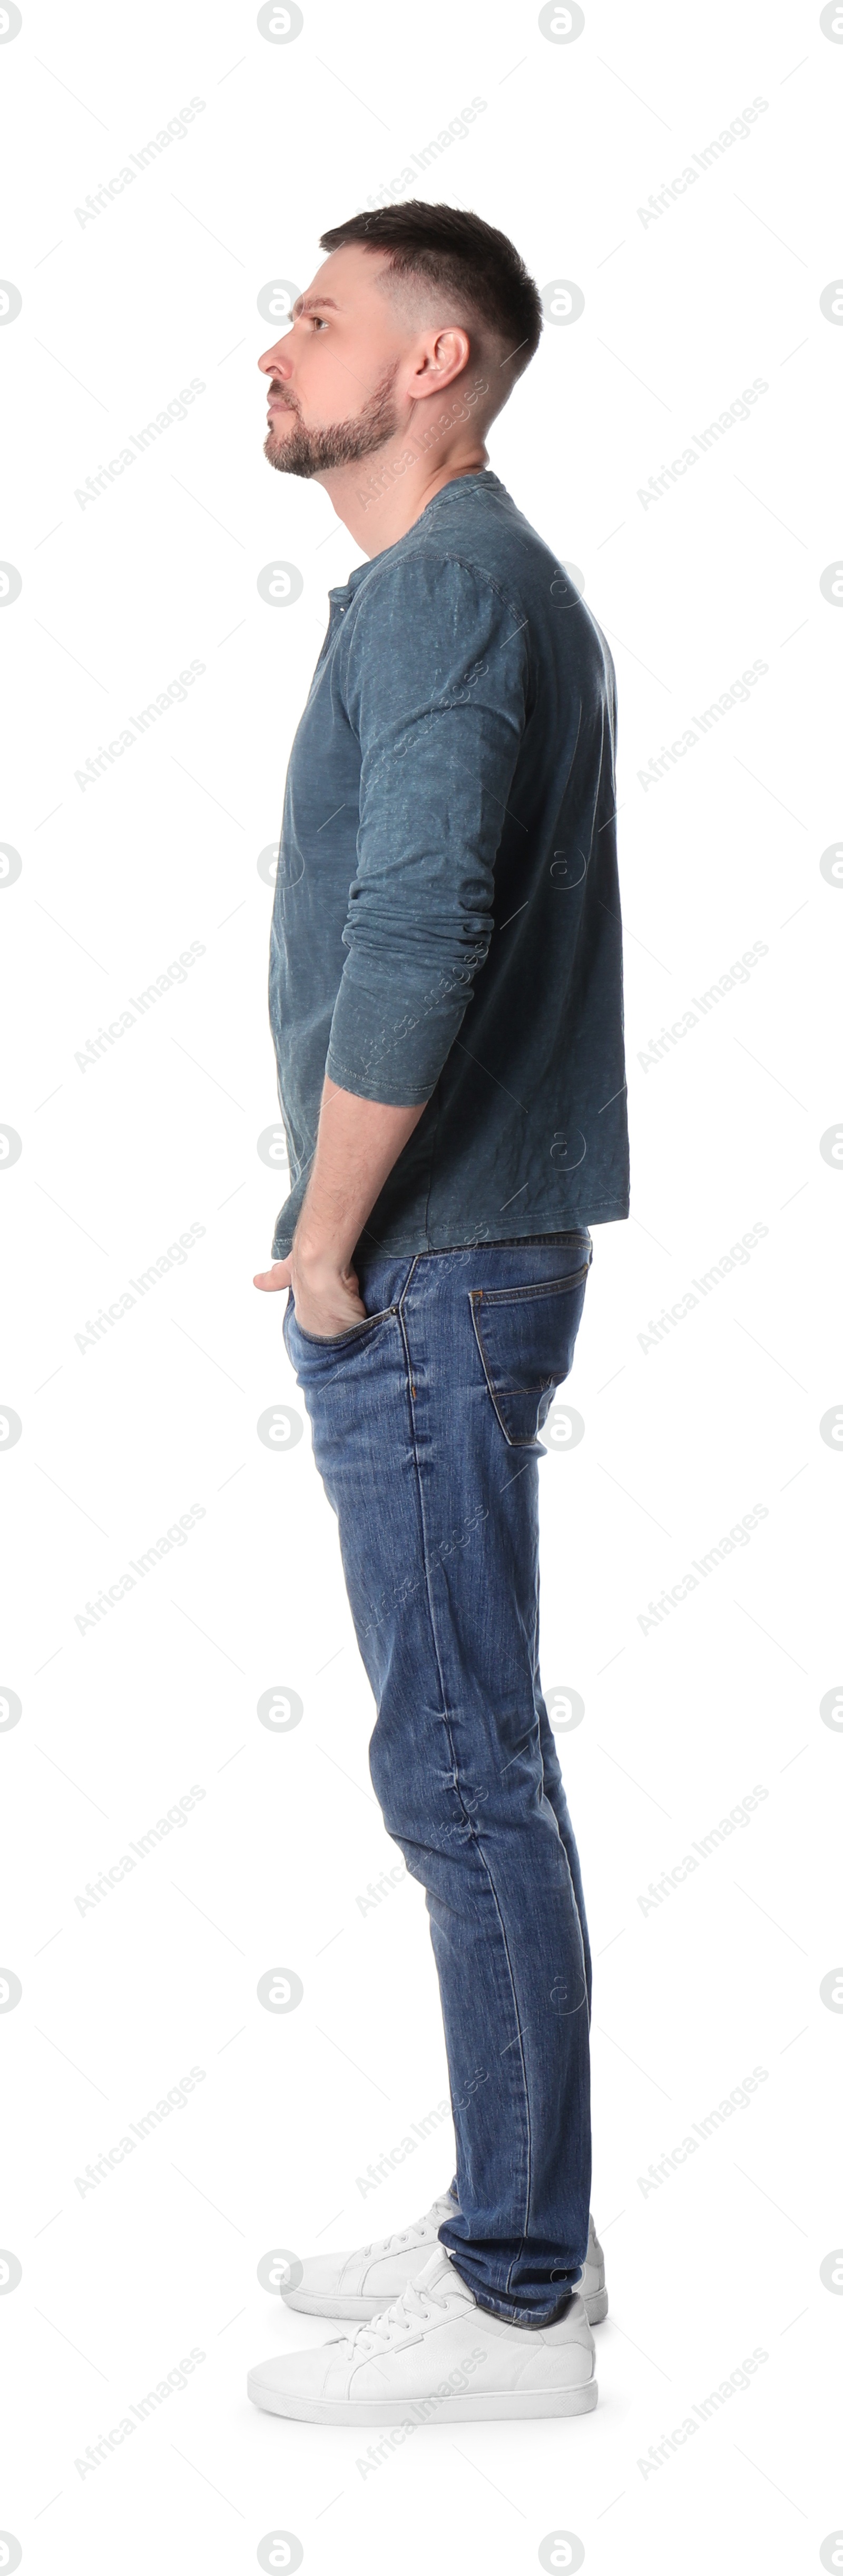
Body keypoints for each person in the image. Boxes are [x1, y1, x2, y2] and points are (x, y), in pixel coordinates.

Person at [248, 202, 628, 2427]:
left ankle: (513, 2295)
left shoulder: (459, 592)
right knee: (460, 1754)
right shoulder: (444, 591)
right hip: (453, 1246)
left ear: (435, 364)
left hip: (433, 1255)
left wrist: (324, 1236)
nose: (275, 347)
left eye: (319, 319)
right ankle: (518, 2201)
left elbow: (415, 937)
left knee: (463, 1761)